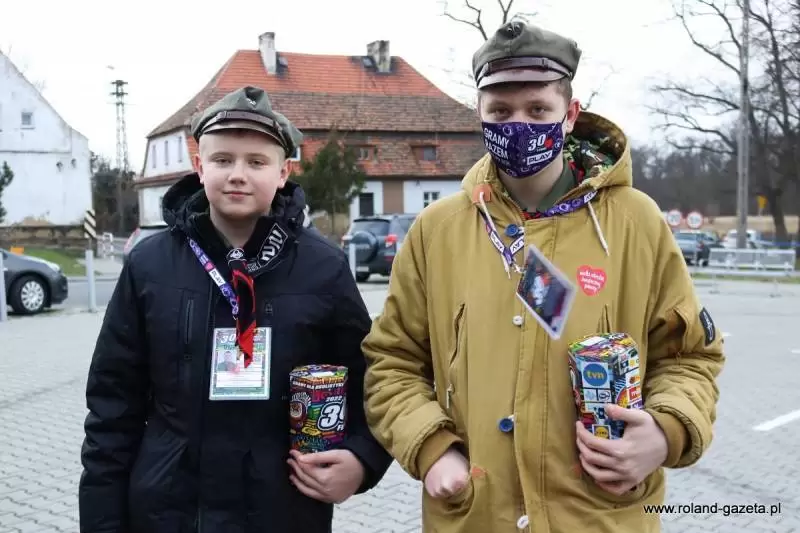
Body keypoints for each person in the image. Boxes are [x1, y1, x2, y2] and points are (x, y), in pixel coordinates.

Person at [361, 21, 725, 533]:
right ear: (479, 114)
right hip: (475, 516)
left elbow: (689, 357)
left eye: (537, 110)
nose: (518, 125)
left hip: (599, 517)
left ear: (570, 115)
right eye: (500, 111)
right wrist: (432, 447)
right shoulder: (437, 231)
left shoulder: (635, 222)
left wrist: (665, 433)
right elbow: (392, 362)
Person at [79, 86, 392, 533]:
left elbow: (374, 380)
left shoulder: (323, 268)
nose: (238, 175)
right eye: (223, 160)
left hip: (284, 510)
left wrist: (362, 460)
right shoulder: (149, 265)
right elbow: (113, 405)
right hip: (169, 511)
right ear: (199, 166)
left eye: (256, 162)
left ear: (283, 172)